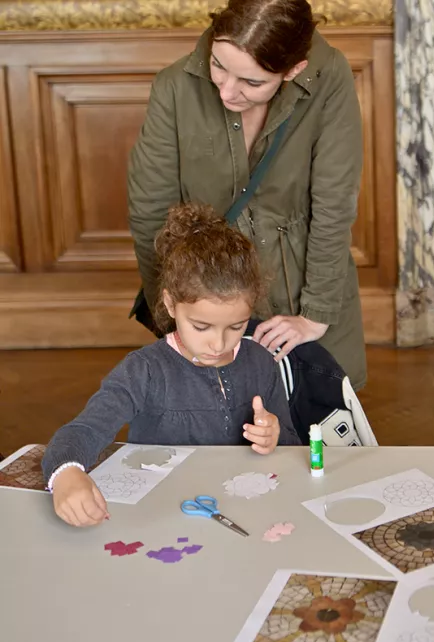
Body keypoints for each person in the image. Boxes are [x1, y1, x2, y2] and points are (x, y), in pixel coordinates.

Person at [128, 0, 367, 390]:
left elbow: (334, 202)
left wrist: (315, 312)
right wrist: (173, 316)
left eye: (252, 83)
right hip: (207, 294)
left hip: (305, 281)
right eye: (218, 66)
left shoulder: (330, 75)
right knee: (217, 426)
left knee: (318, 421)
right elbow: (150, 212)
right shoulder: (173, 85)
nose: (226, 91)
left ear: (294, 71)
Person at [43, 203, 300, 528]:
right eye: (202, 327)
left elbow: (293, 444)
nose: (218, 344)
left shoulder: (261, 363)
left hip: (247, 512)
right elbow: (83, 431)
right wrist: (66, 474)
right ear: (169, 304)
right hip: (160, 520)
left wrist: (275, 435)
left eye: (236, 327)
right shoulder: (144, 370)